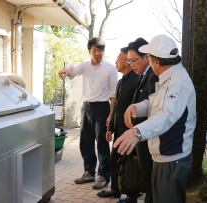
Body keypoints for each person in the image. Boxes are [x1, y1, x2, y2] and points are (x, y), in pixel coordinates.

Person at [114, 34, 196, 203]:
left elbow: (166, 116)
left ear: (156, 62)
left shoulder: (178, 83)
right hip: (164, 158)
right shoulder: (168, 78)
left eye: (149, 59)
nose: (149, 63)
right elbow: (155, 101)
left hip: (172, 159)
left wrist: (136, 132)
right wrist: (137, 107)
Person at [58, 38, 118, 189]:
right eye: (95, 50)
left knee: (102, 144)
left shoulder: (110, 68)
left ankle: (103, 176)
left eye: (101, 50)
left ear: (104, 51)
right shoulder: (85, 66)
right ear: (89, 51)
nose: (98, 53)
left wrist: (111, 113)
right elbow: (74, 71)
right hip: (86, 108)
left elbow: (114, 94)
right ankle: (89, 173)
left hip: (102, 108)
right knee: (85, 142)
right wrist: (67, 71)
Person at [96, 47, 140, 203]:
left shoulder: (137, 81)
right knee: (114, 159)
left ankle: (131, 196)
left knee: (129, 164)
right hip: (118, 131)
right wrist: (110, 128)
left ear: (127, 62)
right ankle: (115, 189)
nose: (115, 62)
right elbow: (116, 107)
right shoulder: (121, 82)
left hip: (130, 133)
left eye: (118, 59)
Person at [126, 37, 159, 203]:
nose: (131, 64)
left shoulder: (153, 76)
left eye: (133, 60)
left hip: (147, 135)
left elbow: (154, 109)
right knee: (146, 175)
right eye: (128, 60)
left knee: (149, 176)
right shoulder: (144, 75)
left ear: (147, 56)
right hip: (141, 134)